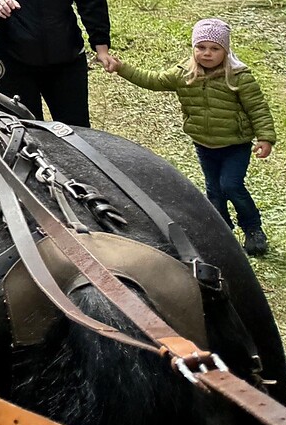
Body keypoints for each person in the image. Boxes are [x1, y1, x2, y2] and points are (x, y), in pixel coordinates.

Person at [101, 19, 276, 257]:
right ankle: (221, 233)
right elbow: (152, 80)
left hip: (236, 144)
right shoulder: (184, 74)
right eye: (201, 47)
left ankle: (253, 229)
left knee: (231, 186)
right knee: (214, 191)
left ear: (226, 50)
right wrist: (122, 68)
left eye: (214, 49)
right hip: (204, 144)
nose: (207, 53)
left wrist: (265, 138)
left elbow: (258, 108)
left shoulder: (238, 77)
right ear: (193, 48)